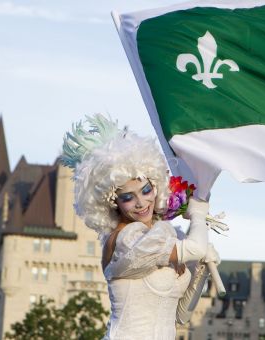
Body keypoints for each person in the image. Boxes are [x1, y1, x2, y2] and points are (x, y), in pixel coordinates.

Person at [61, 114, 219, 339]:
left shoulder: (161, 238)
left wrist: (201, 268)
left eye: (146, 191)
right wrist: (198, 212)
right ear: (112, 201)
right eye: (128, 197)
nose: (141, 203)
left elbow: (181, 315)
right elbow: (195, 247)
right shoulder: (126, 239)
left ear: (155, 185)